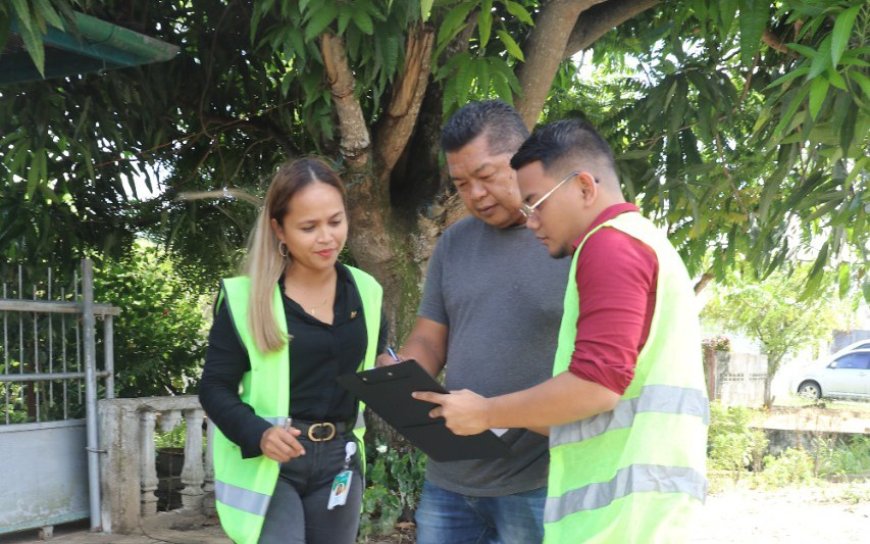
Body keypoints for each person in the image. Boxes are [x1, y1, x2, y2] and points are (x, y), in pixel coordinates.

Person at [415, 119, 709, 543]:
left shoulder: (609, 246)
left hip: (624, 517)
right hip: (637, 507)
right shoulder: (638, 240)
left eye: (537, 202)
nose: (531, 220)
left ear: (585, 187)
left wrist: (486, 413)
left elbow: (596, 386)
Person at [380, 100, 571, 544]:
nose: (476, 195)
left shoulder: (569, 240)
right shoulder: (454, 243)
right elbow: (430, 338)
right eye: (462, 184)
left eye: (487, 176)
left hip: (537, 481)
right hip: (449, 477)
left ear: (525, 157)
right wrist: (400, 371)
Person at [199, 157, 387, 544]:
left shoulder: (367, 291)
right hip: (273, 464)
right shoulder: (245, 299)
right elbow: (214, 387)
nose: (326, 238)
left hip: (340, 460)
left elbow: (376, 362)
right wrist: (259, 433)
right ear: (278, 229)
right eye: (308, 227)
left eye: (335, 222)